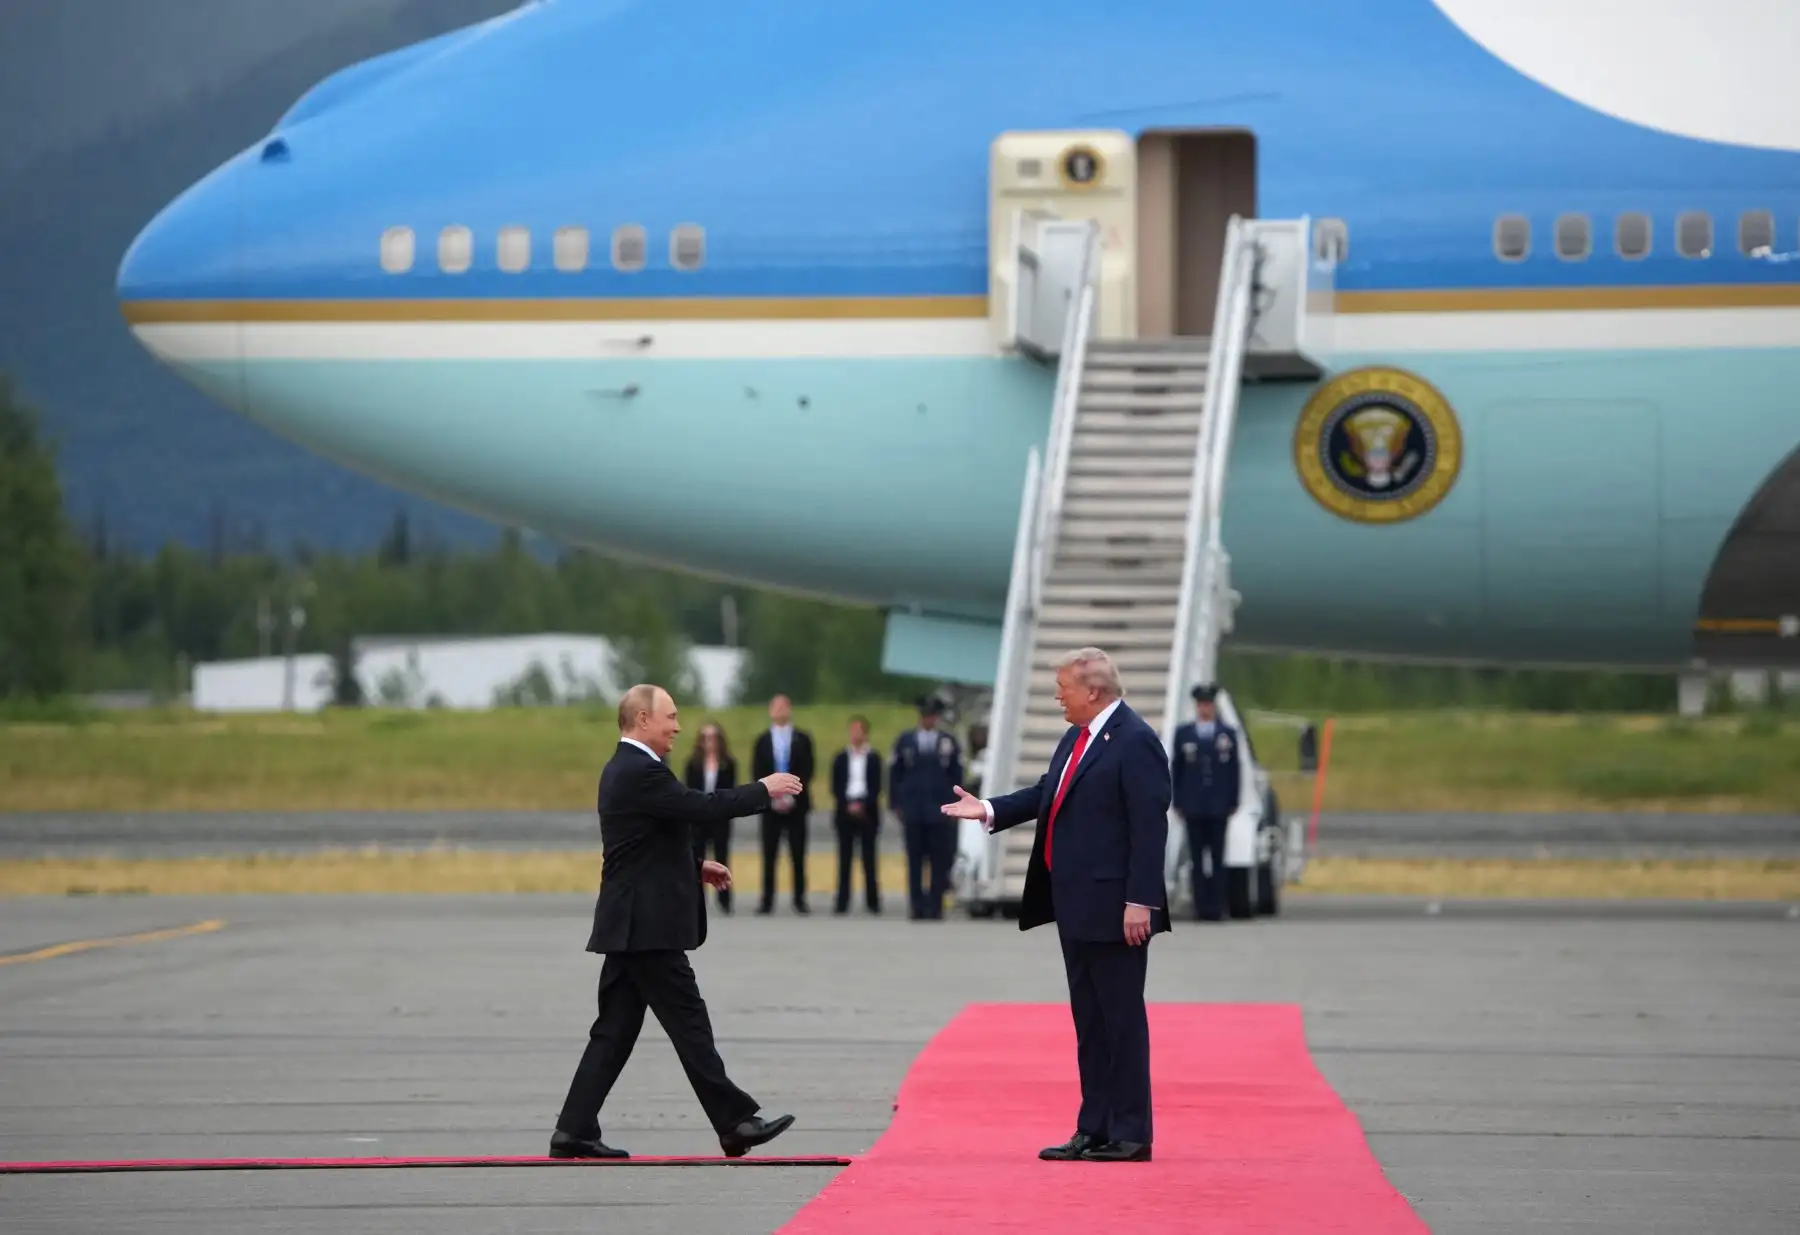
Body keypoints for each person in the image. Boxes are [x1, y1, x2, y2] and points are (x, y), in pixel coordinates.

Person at [552, 684, 799, 1160]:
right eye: (670, 717)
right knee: (689, 1023)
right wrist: (762, 790)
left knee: (615, 1031)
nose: (678, 727)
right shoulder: (639, 769)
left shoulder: (632, 769)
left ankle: (574, 1129)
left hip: (632, 924)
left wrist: (694, 865)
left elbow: (649, 840)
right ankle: (735, 1122)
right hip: (646, 928)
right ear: (642, 720)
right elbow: (698, 807)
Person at [941, 647, 1169, 1163]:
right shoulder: (1077, 737)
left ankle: (1132, 1133)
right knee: (1089, 1022)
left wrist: (1141, 902)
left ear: (1092, 691)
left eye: (1063, 687)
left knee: (1121, 1021)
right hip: (1076, 904)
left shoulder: (1136, 742)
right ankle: (1094, 1127)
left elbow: (1150, 828)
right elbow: (1051, 791)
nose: (1057, 697)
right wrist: (990, 808)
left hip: (1117, 909)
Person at [1171, 683, 1241, 921]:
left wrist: (1233, 799)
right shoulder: (1185, 734)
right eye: (1202, 704)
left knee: (1218, 857)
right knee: (1197, 858)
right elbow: (1177, 769)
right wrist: (1178, 800)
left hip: (1218, 805)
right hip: (1194, 805)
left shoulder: (1227, 734)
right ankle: (1201, 906)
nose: (1205, 708)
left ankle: (1217, 906)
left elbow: (1234, 770)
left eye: (1209, 704)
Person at [889, 696, 962, 920]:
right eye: (925, 715)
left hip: (939, 809)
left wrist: (957, 804)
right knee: (914, 860)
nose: (928, 719)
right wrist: (895, 803)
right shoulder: (906, 741)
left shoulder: (947, 741)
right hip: (914, 808)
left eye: (932, 715)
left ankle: (935, 905)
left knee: (939, 860)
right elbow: (895, 774)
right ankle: (917, 905)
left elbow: (956, 774)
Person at [750, 694, 815, 915]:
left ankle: (799, 898)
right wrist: (772, 796)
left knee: (797, 853)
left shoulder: (802, 739)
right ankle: (767, 899)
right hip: (770, 805)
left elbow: (808, 769)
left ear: (790, 709)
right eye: (776, 706)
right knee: (769, 853)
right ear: (770, 711)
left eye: (783, 706)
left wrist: (792, 794)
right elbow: (757, 771)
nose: (780, 710)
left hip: (796, 804)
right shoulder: (762, 740)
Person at [830, 714, 884, 915]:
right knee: (844, 859)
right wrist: (847, 805)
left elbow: (877, 786)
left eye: (859, 731)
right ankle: (842, 902)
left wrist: (863, 804)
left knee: (869, 859)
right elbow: (835, 786)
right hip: (845, 811)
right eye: (852, 731)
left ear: (865, 733)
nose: (855, 735)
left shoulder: (873, 758)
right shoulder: (840, 758)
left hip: (867, 811)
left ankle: (873, 901)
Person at [683, 722, 738, 913]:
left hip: (720, 818)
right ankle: (697, 901)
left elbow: (730, 791)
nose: (709, 742)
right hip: (698, 819)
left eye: (713, 737)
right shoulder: (693, 763)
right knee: (697, 860)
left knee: (722, 858)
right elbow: (688, 791)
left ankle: (725, 900)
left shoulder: (728, 763)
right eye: (705, 737)